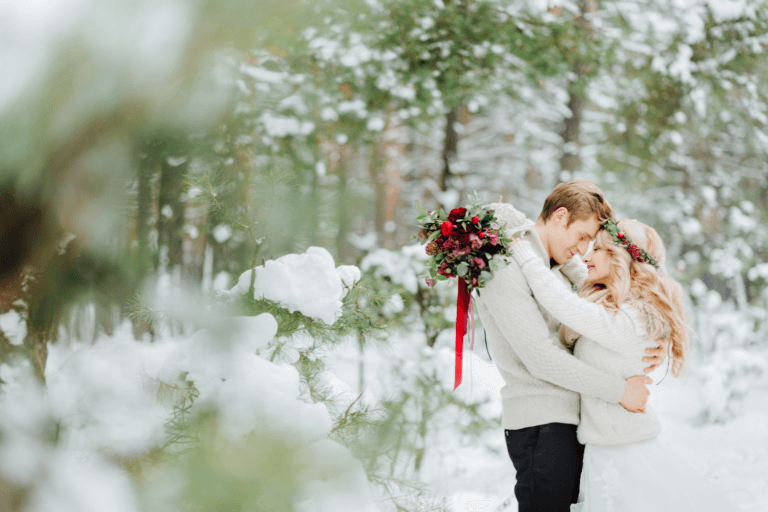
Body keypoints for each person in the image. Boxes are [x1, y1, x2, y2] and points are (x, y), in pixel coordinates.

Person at [507, 218, 737, 511]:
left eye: (599, 249)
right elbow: (580, 299)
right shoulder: (622, 309)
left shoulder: (632, 319)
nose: (586, 257)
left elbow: (563, 304)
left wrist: (524, 254)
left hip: (622, 453)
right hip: (607, 448)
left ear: (622, 257)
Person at [474, 181, 665, 512]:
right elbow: (541, 359)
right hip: (540, 424)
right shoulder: (503, 265)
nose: (583, 249)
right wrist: (620, 391)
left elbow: (608, 307)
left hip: (571, 423)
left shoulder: (556, 266)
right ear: (560, 216)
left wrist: (647, 341)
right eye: (582, 238)